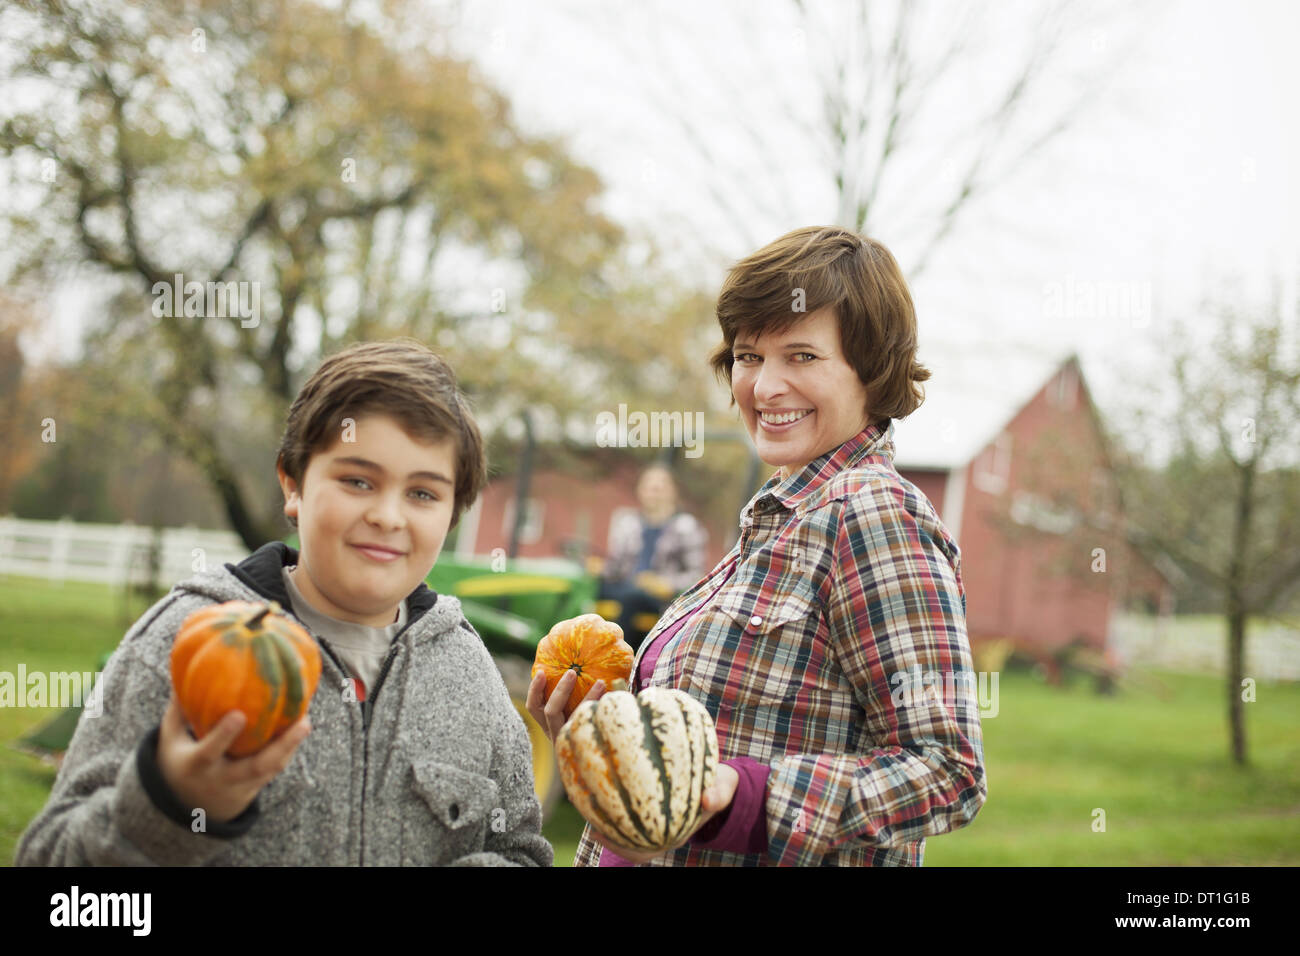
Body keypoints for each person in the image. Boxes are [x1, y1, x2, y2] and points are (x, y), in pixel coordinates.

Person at [528, 226, 987, 866]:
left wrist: (740, 799)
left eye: (801, 356)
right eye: (749, 355)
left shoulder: (875, 514)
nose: (765, 387)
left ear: (871, 369)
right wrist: (608, 739)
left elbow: (946, 770)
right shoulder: (779, 517)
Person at [15, 339, 552, 866]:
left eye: (422, 493)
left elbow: (520, 851)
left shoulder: (472, 675)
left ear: (452, 513)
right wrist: (168, 807)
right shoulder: (183, 637)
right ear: (293, 485)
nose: (389, 516)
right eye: (358, 480)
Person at [598, 463, 708, 649]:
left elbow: (695, 576)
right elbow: (615, 568)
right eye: (649, 485)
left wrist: (666, 584)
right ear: (640, 491)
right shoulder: (627, 523)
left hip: (659, 598)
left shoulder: (687, 527)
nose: (654, 490)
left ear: (673, 491)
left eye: (661, 485)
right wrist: (598, 569)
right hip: (626, 586)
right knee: (585, 589)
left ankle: (615, 657)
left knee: (632, 597)